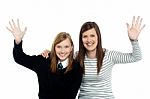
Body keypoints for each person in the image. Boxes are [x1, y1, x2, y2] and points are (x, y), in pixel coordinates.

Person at [41, 16, 145, 99]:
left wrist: (134, 40)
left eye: (92, 35)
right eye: (85, 36)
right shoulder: (77, 57)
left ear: (98, 37)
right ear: (81, 39)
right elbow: (62, 54)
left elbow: (136, 57)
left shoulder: (109, 56)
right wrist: (50, 52)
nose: (89, 40)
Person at [7, 19, 83, 99]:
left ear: (71, 48)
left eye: (66, 47)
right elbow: (20, 58)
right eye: (59, 47)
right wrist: (18, 41)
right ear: (54, 47)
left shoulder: (77, 68)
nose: (62, 51)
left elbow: (71, 95)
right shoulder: (44, 61)